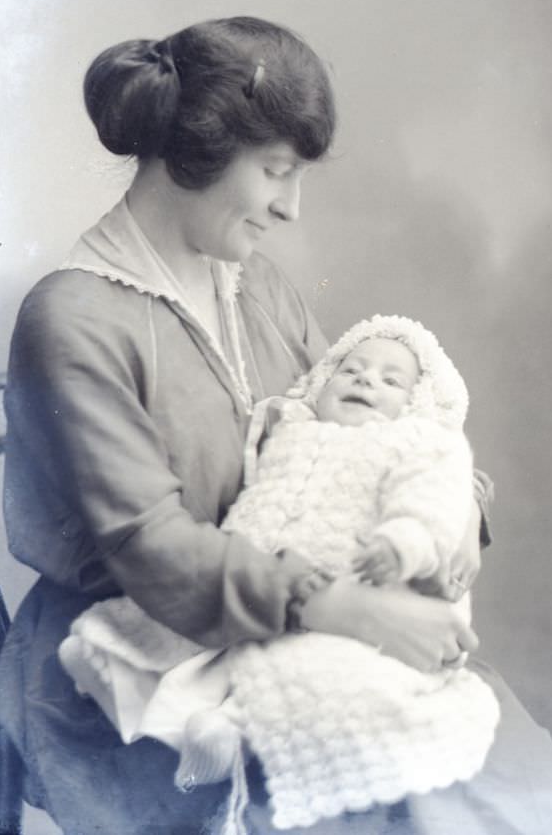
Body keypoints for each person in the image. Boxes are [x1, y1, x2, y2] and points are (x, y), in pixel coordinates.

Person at [0, 15, 552, 835]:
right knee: (369, 801)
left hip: (290, 633)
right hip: (126, 663)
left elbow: (358, 434)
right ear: (194, 152)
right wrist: (348, 609)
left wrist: (443, 515)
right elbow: (152, 550)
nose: (292, 208)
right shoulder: (73, 318)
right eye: (275, 172)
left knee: (489, 767)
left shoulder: (256, 287)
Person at [58, 313, 501, 833]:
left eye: (390, 380)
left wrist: (410, 539)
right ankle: (206, 711)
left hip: (366, 592)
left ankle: (235, 729)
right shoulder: (290, 426)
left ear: (418, 402)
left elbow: (430, 492)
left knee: (329, 672)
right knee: (150, 642)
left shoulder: (409, 441)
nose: (364, 380)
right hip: (254, 581)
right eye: (352, 369)